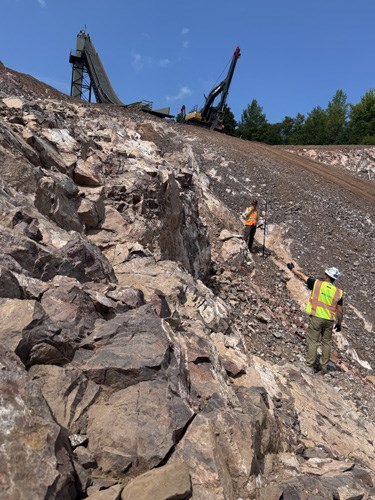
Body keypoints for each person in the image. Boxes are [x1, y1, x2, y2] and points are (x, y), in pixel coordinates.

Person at [286, 263, 344, 374]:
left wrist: (293, 269)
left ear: (327, 276)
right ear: (334, 279)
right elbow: (340, 311)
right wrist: (339, 323)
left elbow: (303, 276)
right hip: (329, 321)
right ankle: (323, 367)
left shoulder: (317, 284)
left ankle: (309, 365)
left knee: (313, 341)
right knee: (326, 342)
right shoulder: (338, 292)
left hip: (317, 317)